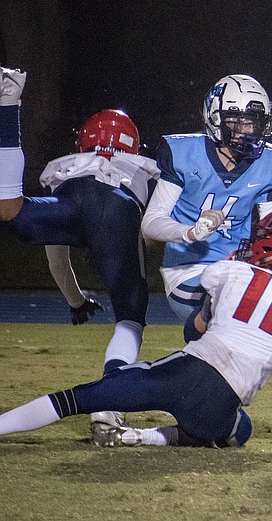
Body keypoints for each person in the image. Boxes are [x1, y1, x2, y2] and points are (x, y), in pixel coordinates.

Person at [0, 208, 272, 448]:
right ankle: (143, 437)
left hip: (183, 374)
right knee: (238, 431)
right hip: (221, 403)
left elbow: (196, 328)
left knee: (80, 398)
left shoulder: (230, 272)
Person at [0, 65, 160, 438]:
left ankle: (8, 105)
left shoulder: (72, 168)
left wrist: (75, 301)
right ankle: (108, 408)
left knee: (11, 211)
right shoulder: (138, 167)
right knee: (130, 320)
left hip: (74, 197)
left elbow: (57, 256)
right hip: (119, 206)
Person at [141, 74, 272, 322]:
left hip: (238, 269)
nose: (247, 131)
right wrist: (191, 232)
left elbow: (271, 231)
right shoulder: (184, 154)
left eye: (254, 123)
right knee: (226, 308)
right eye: (238, 121)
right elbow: (151, 222)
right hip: (188, 269)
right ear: (214, 117)